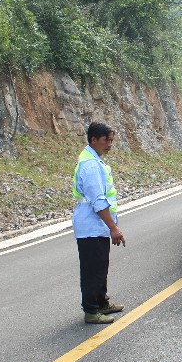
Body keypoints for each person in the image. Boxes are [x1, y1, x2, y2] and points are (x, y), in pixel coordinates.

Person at [73, 122, 126, 324]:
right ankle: (91, 310)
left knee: (101, 265)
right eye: (106, 140)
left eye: (111, 140)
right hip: (91, 225)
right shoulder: (90, 165)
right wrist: (113, 227)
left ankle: (102, 301)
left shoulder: (94, 160)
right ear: (93, 139)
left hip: (97, 225)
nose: (109, 144)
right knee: (92, 269)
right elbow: (98, 200)